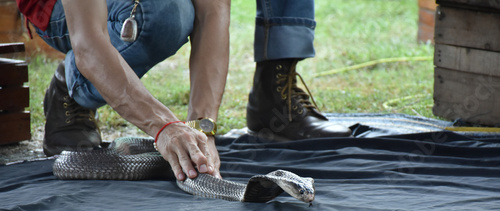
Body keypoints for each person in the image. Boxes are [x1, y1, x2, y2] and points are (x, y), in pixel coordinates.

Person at [16, 0, 350, 181]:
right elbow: (88, 42)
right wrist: (163, 127)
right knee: (164, 13)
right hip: (67, 13)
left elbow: (213, 11)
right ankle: (71, 87)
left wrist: (202, 128)